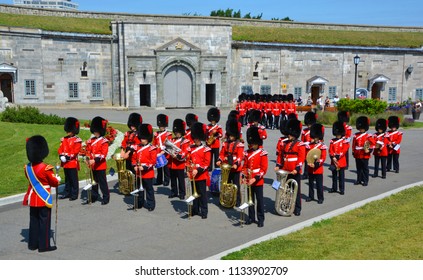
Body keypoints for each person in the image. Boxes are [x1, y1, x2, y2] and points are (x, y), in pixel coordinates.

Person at [23, 135, 61, 252]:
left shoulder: (27, 168)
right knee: (44, 221)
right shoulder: (45, 168)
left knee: (33, 221)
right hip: (43, 198)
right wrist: (58, 179)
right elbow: (54, 183)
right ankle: (44, 246)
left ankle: (32, 244)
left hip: (33, 197)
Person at [275, 119, 305, 216]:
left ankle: (297, 208)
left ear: (295, 134)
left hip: (294, 170)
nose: (289, 136)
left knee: (296, 191)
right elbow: (280, 155)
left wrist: (296, 169)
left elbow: (301, 158)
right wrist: (278, 165)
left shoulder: (300, 144)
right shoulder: (285, 143)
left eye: (291, 134)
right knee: (285, 190)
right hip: (285, 170)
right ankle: (285, 205)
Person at [242, 126, 268, 227]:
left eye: (253, 143)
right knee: (250, 199)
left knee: (260, 201)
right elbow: (245, 166)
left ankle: (260, 219)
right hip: (249, 179)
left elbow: (263, 169)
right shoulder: (247, 153)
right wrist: (244, 177)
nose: (252, 145)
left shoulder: (262, 153)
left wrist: (255, 178)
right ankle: (251, 217)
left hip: (258, 181)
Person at [216, 118, 244, 207]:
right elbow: (221, 153)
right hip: (226, 167)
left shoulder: (239, 144)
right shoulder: (225, 144)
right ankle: (225, 199)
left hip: (235, 167)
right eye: (230, 135)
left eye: (232, 135)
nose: (231, 137)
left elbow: (240, 156)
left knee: (236, 185)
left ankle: (237, 200)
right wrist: (219, 160)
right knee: (225, 185)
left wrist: (236, 164)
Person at [186, 122, 211, 219]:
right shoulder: (190, 148)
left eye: (197, 138)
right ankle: (195, 209)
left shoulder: (206, 149)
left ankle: (204, 211)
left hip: (201, 175)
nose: (196, 140)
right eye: (195, 138)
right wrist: (188, 170)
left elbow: (206, 164)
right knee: (194, 193)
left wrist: (198, 170)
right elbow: (188, 161)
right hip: (192, 174)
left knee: (202, 194)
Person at [84, 116, 110, 205]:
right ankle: (94, 196)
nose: (95, 133)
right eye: (94, 131)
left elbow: (103, 154)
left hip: (100, 165)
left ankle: (106, 197)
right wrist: (87, 159)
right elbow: (88, 151)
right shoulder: (91, 140)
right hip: (92, 165)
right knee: (93, 182)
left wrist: (94, 160)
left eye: (97, 131)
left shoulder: (104, 141)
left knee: (102, 182)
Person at [133, 124, 158, 211]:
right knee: (139, 189)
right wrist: (135, 166)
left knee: (149, 190)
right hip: (138, 173)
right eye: (141, 138)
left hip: (147, 173)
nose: (142, 140)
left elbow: (153, 161)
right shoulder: (137, 147)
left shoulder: (152, 148)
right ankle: (139, 203)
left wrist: (144, 167)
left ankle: (151, 204)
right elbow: (134, 159)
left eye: (144, 138)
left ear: (148, 138)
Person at [58, 117, 82, 201]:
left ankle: (74, 194)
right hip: (65, 163)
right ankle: (67, 192)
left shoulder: (77, 140)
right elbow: (60, 149)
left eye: (69, 131)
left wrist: (67, 157)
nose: (67, 132)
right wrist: (61, 156)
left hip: (72, 162)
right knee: (67, 179)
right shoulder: (64, 139)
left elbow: (75, 152)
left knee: (73, 179)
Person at [168, 119, 190, 199]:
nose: (177, 134)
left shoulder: (185, 141)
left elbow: (185, 152)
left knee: (181, 180)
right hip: (172, 163)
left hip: (179, 164)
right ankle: (174, 191)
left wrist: (177, 156)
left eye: (178, 132)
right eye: (176, 132)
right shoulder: (172, 140)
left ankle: (182, 193)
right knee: (173, 179)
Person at [305, 123, 327, 204]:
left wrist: (316, 164)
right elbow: (306, 155)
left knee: (319, 185)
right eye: (314, 137)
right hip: (310, 168)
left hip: (318, 169)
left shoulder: (322, 146)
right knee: (311, 184)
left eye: (316, 137)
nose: (315, 138)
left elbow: (323, 158)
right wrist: (309, 163)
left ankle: (320, 198)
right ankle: (311, 196)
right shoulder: (309, 146)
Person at [352, 116, 374, 187]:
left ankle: (365, 180)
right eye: (360, 128)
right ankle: (359, 179)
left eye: (362, 128)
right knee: (358, 168)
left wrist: (369, 150)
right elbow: (354, 144)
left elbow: (373, 144)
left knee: (365, 168)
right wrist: (353, 151)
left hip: (364, 154)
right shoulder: (356, 135)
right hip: (357, 154)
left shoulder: (368, 135)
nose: (361, 129)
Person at [328, 121, 349, 195]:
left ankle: (342, 189)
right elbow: (330, 150)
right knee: (334, 176)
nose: (337, 135)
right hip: (334, 161)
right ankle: (334, 188)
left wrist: (337, 156)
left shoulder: (344, 141)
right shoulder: (332, 141)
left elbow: (344, 150)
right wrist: (333, 156)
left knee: (341, 177)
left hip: (341, 161)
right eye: (336, 134)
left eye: (339, 134)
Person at [153, 114, 172, 186]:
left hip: (165, 153)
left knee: (166, 168)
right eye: (160, 126)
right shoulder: (156, 134)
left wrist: (163, 151)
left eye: (162, 126)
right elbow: (154, 143)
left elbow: (169, 144)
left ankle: (167, 180)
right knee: (159, 168)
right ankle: (159, 180)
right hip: (158, 153)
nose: (161, 127)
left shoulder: (168, 134)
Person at [301, 111, 317, 180]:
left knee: (313, 161)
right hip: (306, 147)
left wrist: (313, 141)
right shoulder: (304, 131)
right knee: (306, 161)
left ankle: (313, 174)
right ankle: (306, 173)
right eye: (308, 124)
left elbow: (320, 139)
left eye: (309, 124)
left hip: (313, 147)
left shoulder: (315, 130)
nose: (308, 126)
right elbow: (302, 140)